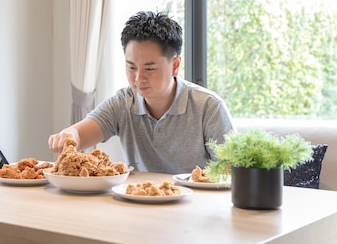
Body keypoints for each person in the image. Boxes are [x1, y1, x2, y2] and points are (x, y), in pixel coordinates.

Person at [48, 11, 235, 174]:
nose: (138, 79)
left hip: (194, 208)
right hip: (137, 203)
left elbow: (232, 173)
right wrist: (69, 135)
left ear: (175, 65)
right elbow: (79, 134)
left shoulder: (209, 107)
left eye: (149, 69)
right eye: (131, 67)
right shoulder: (122, 103)